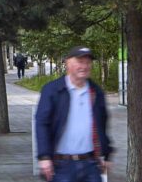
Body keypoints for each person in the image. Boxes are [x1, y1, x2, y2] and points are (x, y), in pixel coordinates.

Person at [33, 47, 112, 182]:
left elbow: (103, 123)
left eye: (87, 62)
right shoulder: (53, 90)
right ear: (67, 63)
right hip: (62, 166)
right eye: (80, 61)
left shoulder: (96, 92)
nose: (84, 66)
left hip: (91, 164)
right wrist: (44, 157)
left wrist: (106, 154)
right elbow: (42, 123)